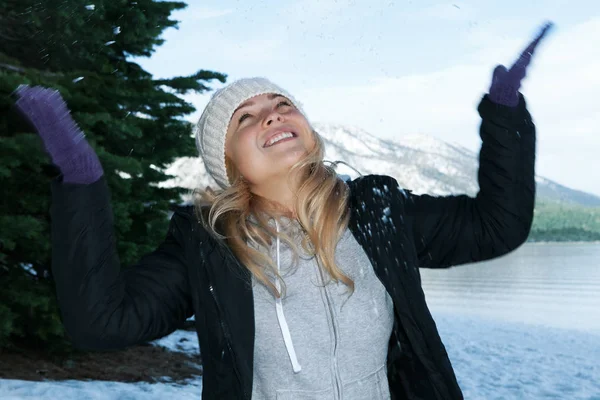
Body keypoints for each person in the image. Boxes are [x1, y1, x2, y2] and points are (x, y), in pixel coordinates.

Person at [12, 22, 552, 400]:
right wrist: (79, 180)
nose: (271, 116)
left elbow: (495, 227)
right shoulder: (208, 248)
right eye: (247, 118)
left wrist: (503, 115)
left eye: (282, 105)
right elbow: (101, 324)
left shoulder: (377, 213)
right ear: (227, 162)